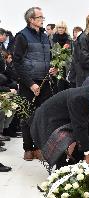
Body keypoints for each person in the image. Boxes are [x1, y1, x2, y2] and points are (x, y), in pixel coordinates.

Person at [30, 84, 89, 168]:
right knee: (61, 144)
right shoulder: (81, 98)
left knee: (81, 140)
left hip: (62, 117)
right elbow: (80, 128)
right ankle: (61, 170)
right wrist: (87, 153)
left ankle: (75, 165)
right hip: (47, 119)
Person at [13, 7, 56, 161]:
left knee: (43, 115)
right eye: (40, 17)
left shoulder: (45, 36)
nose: (42, 19)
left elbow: (48, 57)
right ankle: (28, 148)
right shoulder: (21, 36)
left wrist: (53, 68)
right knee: (27, 115)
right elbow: (17, 63)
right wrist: (30, 84)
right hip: (28, 83)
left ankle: (39, 148)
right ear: (31, 19)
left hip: (44, 81)